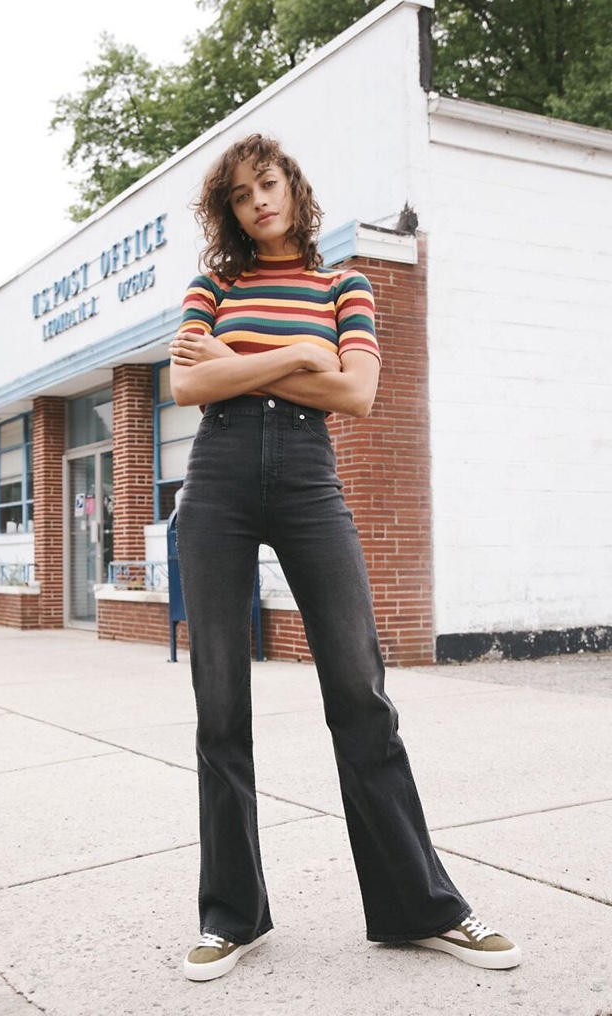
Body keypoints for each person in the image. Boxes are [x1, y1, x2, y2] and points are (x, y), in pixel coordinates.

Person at [168, 133, 521, 983]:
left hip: (306, 477)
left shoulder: (343, 283)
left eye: (269, 184)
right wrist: (298, 354)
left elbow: (356, 393)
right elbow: (186, 387)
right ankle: (232, 917)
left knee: (359, 688)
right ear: (231, 212)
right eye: (242, 195)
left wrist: (240, 363)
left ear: (293, 186)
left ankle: (418, 909)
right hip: (216, 476)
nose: (259, 202)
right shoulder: (213, 284)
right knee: (220, 699)